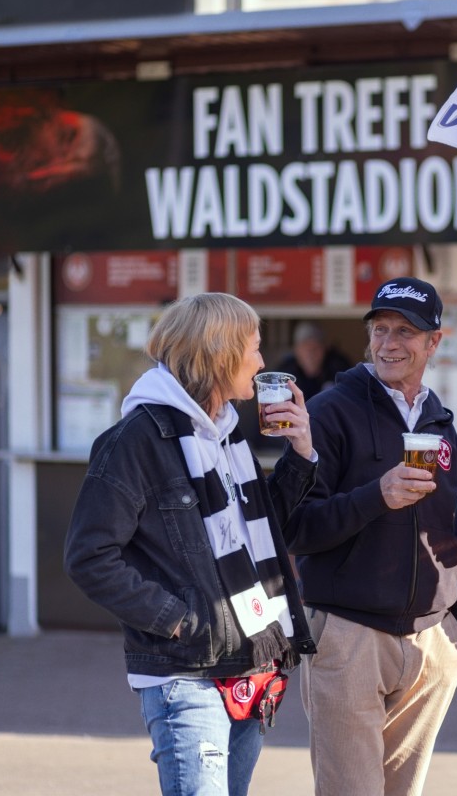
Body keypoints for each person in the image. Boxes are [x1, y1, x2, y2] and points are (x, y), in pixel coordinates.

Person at [64, 292, 318, 796]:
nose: (264, 362)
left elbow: (263, 531)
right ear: (220, 354)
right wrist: (179, 621)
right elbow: (89, 556)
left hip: (248, 666)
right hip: (187, 674)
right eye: (255, 347)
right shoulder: (135, 440)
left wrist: (301, 453)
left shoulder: (226, 433)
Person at [282, 276, 457, 796]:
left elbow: (447, 525)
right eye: (381, 329)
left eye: (406, 332)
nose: (390, 343)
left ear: (434, 342)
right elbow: (296, 528)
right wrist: (376, 496)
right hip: (349, 637)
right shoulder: (329, 412)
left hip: (431, 641)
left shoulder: (439, 421)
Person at [275, 320, 352, 401]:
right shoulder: (284, 373)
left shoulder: (339, 369)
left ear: (324, 349)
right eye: (306, 347)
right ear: (296, 350)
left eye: (316, 347)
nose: (311, 353)